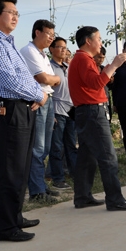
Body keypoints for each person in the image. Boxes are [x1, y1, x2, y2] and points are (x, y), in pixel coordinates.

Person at [0, 0, 47, 242]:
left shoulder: (7, 42)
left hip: (22, 106)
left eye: (17, 13)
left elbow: (24, 76)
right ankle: (6, 228)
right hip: (9, 109)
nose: (16, 17)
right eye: (11, 12)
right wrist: (39, 94)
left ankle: (15, 216)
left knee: (21, 167)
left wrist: (36, 95)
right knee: (10, 169)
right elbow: (9, 80)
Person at [68, 26, 126, 211]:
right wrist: (114, 65)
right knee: (108, 156)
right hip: (92, 112)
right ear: (88, 41)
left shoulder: (82, 59)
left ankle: (82, 196)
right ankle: (115, 199)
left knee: (87, 156)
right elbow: (96, 83)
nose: (101, 43)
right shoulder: (83, 59)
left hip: (86, 112)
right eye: (98, 39)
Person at [19, 19, 61, 203]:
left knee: (45, 148)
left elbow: (54, 80)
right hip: (37, 101)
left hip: (48, 99)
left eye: (53, 34)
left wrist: (53, 79)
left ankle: (41, 184)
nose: (51, 38)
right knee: (37, 148)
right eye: (48, 34)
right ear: (37, 32)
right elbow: (43, 78)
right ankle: (36, 191)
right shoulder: (29, 51)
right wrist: (53, 79)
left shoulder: (43, 55)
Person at [47, 37, 77, 188]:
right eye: (60, 47)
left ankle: (76, 175)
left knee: (71, 145)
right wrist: (50, 113)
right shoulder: (49, 67)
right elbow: (47, 91)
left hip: (71, 110)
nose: (63, 50)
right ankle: (58, 178)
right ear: (51, 49)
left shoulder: (68, 67)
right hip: (57, 110)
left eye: (65, 47)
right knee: (57, 147)